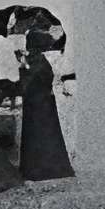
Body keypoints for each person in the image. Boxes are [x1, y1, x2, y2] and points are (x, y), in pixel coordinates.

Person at [19, 28, 76, 182]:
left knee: (40, 136)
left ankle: (41, 170)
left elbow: (29, 82)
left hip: (39, 104)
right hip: (41, 103)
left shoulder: (37, 61)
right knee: (43, 136)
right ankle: (41, 168)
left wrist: (23, 70)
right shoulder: (38, 60)